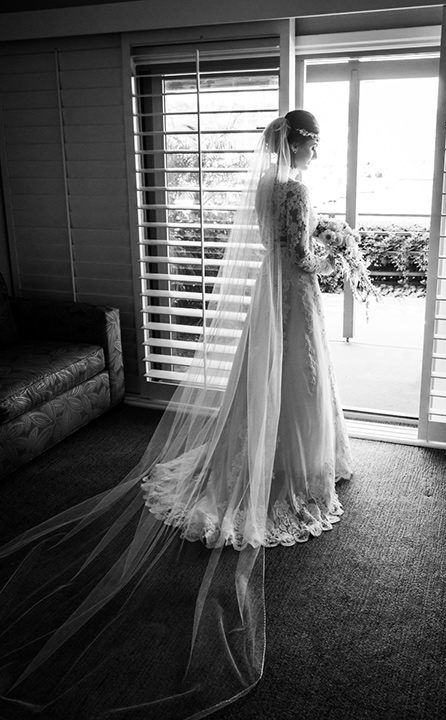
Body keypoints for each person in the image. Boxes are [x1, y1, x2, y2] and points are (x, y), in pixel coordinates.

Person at [0, 110, 352, 719]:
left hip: (271, 301)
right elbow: (297, 257)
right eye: (314, 141)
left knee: (271, 377)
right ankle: (291, 463)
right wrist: (333, 258)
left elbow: (279, 246)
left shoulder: (268, 186)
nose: (318, 150)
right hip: (293, 295)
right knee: (299, 375)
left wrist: (326, 244)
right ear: (298, 143)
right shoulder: (292, 188)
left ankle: (282, 448)